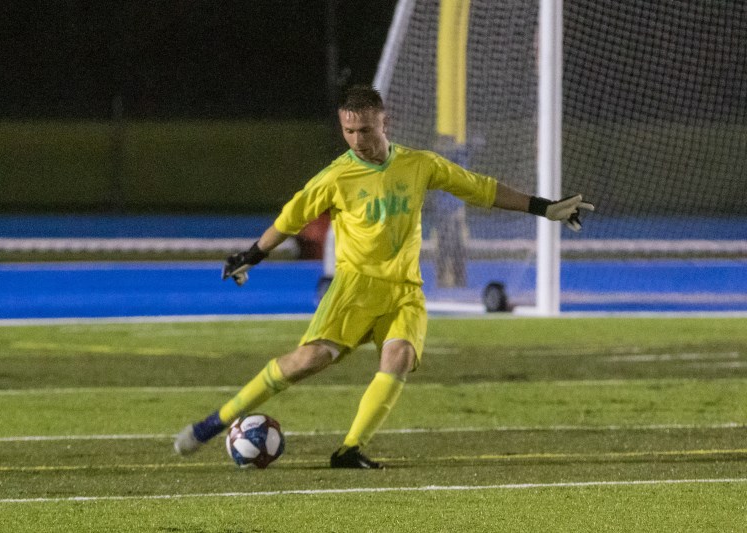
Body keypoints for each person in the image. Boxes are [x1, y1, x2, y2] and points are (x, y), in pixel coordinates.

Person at [173, 85, 593, 468]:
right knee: (307, 362)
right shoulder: (336, 176)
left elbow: (479, 188)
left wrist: (543, 207)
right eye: (349, 131)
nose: (358, 140)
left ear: (384, 122)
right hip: (353, 290)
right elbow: (290, 218)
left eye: (366, 130)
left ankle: (350, 449)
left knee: (401, 358)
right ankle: (216, 422)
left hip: (403, 291)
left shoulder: (419, 165)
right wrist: (252, 254)